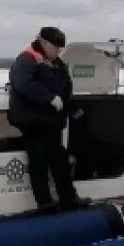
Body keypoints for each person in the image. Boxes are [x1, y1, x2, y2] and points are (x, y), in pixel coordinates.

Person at [7, 27, 88, 212]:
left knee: (60, 160)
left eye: (61, 49)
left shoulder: (56, 63)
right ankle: (44, 202)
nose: (59, 52)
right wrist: (49, 98)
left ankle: (69, 198)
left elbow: (64, 88)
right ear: (44, 43)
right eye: (56, 48)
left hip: (51, 121)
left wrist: (71, 108)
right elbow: (23, 83)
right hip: (32, 121)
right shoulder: (27, 59)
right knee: (39, 160)